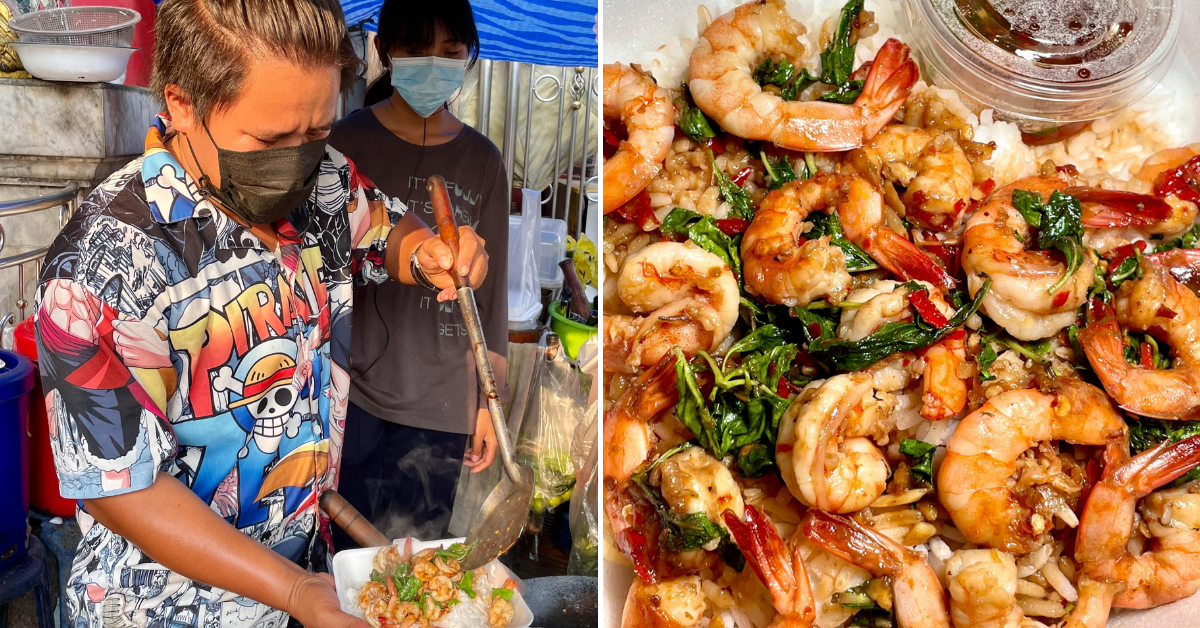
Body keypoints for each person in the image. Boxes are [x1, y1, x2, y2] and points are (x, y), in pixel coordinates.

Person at [31, 0, 489, 626]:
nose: (301, 159)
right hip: (161, 606)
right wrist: (294, 591)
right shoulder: (97, 264)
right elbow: (123, 489)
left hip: (301, 571)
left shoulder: (321, 176)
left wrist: (433, 252)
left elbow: (380, 224)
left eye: (318, 131)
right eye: (272, 140)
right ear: (182, 104)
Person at [329, 0, 510, 545]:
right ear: (384, 52)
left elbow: (495, 298)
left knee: (414, 559)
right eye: (414, 51)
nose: (433, 64)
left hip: (446, 401)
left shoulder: (484, 159)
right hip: (352, 393)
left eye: (450, 52)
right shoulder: (345, 145)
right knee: (341, 556)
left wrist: (489, 402)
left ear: (467, 56)